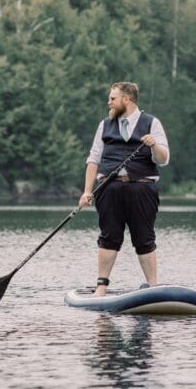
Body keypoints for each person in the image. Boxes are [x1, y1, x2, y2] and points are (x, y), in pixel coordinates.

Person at [78, 82, 170, 297]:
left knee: (144, 237)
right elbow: (94, 159)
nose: (109, 102)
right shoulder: (105, 125)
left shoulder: (152, 123)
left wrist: (153, 145)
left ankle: (152, 287)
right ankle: (101, 286)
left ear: (126, 99)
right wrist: (87, 191)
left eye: (113, 98)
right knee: (109, 236)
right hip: (109, 189)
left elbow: (163, 159)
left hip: (142, 188)